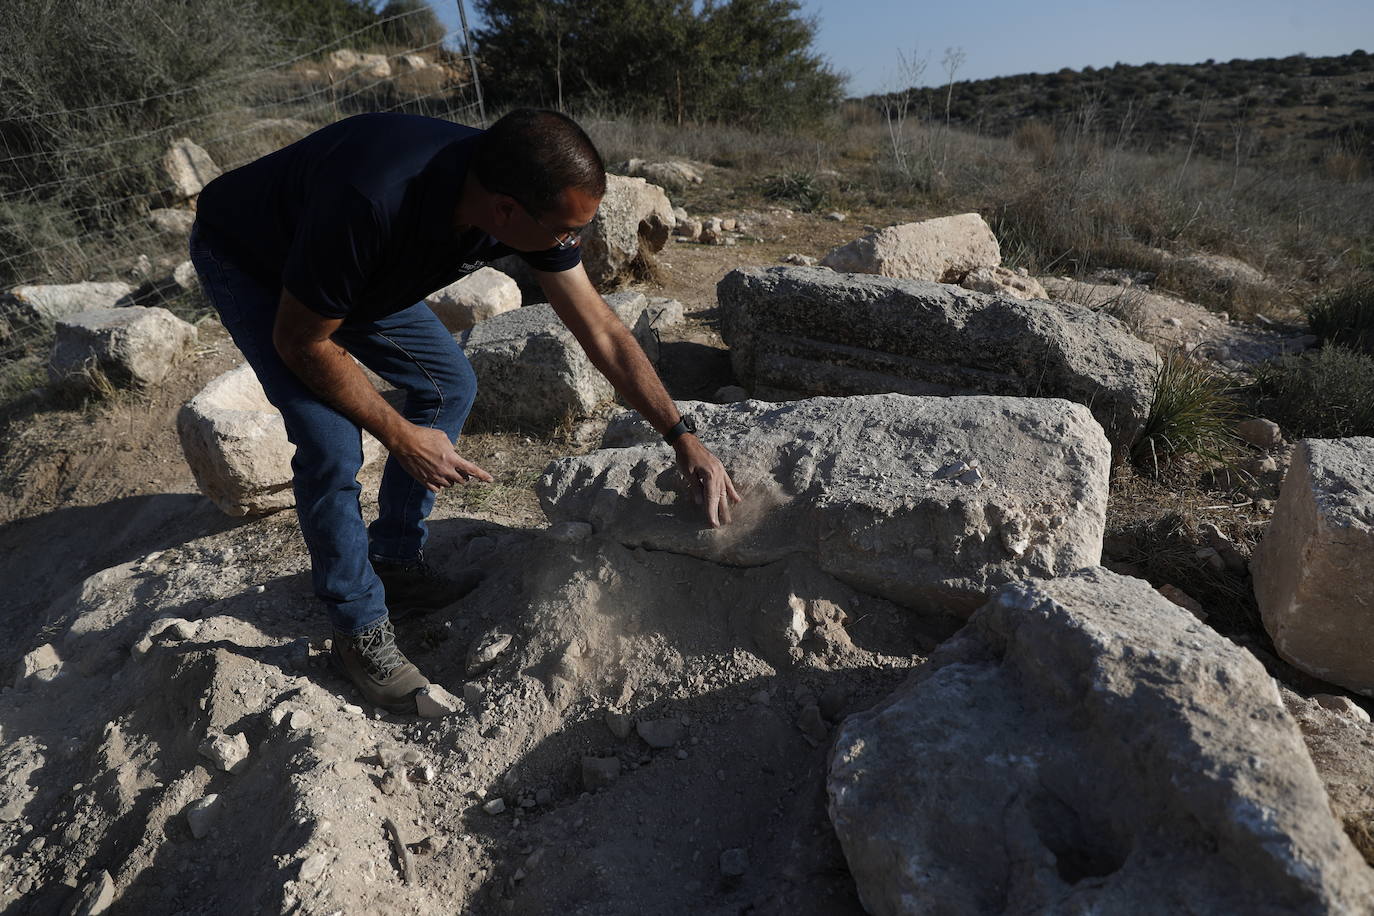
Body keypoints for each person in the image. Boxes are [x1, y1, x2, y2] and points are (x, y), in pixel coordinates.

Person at [188, 108, 741, 713]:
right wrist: (400, 434)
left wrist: (682, 436)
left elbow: (603, 332)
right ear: (505, 212)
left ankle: (395, 560)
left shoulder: (514, 192)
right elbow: (302, 341)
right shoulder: (372, 200)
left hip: (360, 273)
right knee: (331, 440)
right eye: (563, 230)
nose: (570, 243)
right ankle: (358, 627)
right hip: (258, 261)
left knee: (449, 385)